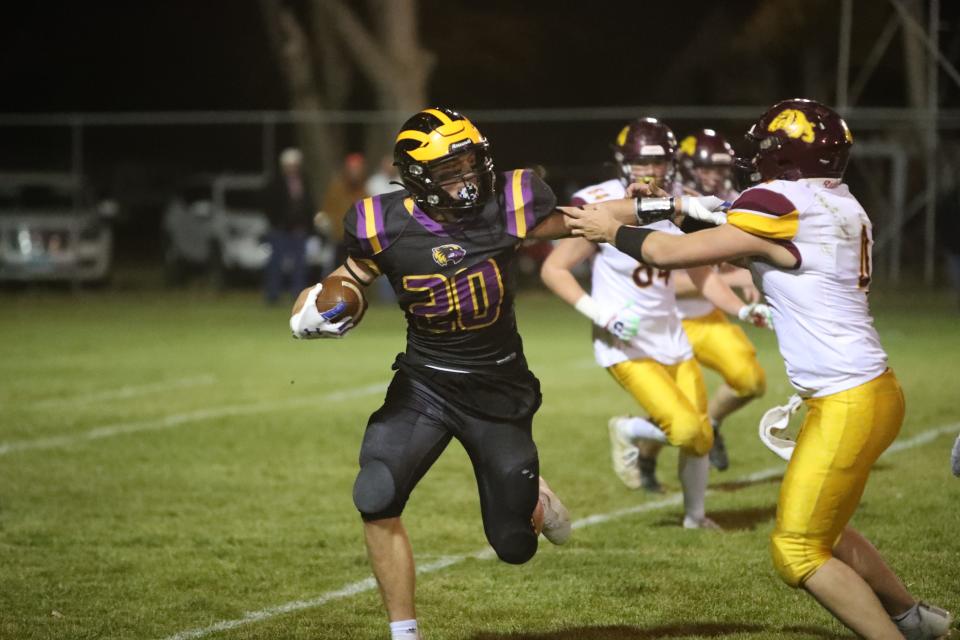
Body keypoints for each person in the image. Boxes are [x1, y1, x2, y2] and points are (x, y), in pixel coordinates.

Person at [563, 98, 953, 640]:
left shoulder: (781, 201)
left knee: (796, 550)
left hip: (847, 400)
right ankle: (913, 620)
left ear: (782, 155)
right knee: (829, 532)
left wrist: (612, 229)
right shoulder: (838, 203)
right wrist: (669, 205)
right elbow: (714, 215)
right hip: (872, 391)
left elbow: (674, 254)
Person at [290, 107, 578, 640]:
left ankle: (533, 496)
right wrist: (317, 305)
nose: (466, 179)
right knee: (375, 493)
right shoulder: (380, 222)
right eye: (450, 170)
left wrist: (670, 209)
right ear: (419, 178)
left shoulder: (508, 203)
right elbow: (350, 276)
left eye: (470, 163)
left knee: (515, 546)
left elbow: (585, 219)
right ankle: (404, 634)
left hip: (496, 385)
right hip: (426, 381)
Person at [541, 118, 770, 530]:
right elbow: (554, 269)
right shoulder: (602, 203)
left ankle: (695, 518)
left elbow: (703, 275)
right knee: (688, 431)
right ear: (623, 163)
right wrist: (602, 315)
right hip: (625, 342)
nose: (652, 171)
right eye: (642, 163)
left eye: (660, 162)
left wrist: (739, 311)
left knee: (699, 437)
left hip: (673, 335)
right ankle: (627, 429)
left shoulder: (679, 203)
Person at [673, 129, 768, 472]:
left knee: (750, 380)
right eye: (705, 167)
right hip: (665, 320)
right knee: (677, 412)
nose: (714, 175)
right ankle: (641, 451)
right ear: (684, 166)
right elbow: (668, 283)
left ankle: (712, 424)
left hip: (708, 316)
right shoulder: (669, 206)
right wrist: (737, 279)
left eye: (719, 168)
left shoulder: (729, 202)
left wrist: (753, 274)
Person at [264, 148, 316, 304]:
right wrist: (276, 223)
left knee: (300, 265)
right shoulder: (275, 182)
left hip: (299, 230)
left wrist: (307, 225)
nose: (292, 168)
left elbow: (308, 205)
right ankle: (273, 295)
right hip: (280, 230)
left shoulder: (304, 181)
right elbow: (269, 205)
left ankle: (298, 294)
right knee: (276, 264)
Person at [320, 152, 368, 266]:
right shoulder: (336, 189)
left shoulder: (365, 191)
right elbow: (327, 210)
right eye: (352, 169)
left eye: (357, 169)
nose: (355, 173)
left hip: (357, 240)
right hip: (339, 238)